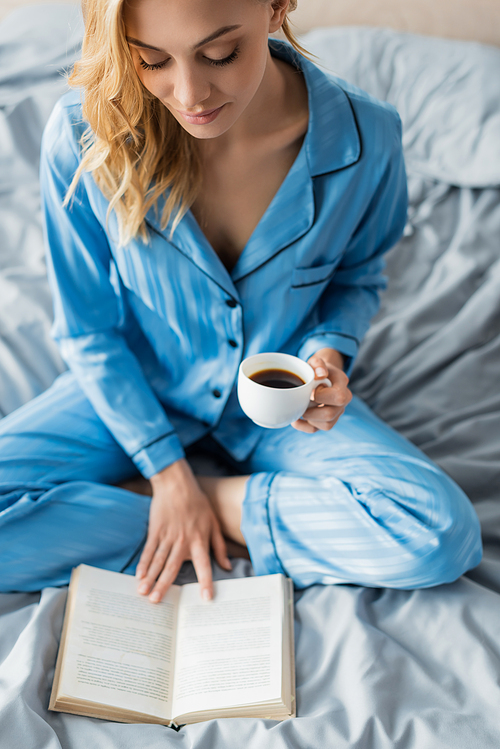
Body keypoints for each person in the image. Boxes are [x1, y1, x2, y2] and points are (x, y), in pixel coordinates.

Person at [0, 0, 482, 602]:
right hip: (136, 390)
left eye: (220, 53)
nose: (190, 94)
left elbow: (356, 276)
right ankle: (180, 505)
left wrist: (329, 352)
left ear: (278, 7)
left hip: (283, 402)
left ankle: (208, 505)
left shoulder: (368, 136)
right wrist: (166, 471)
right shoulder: (82, 132)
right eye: (150, 61)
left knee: (438, 533)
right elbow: (86, 329)